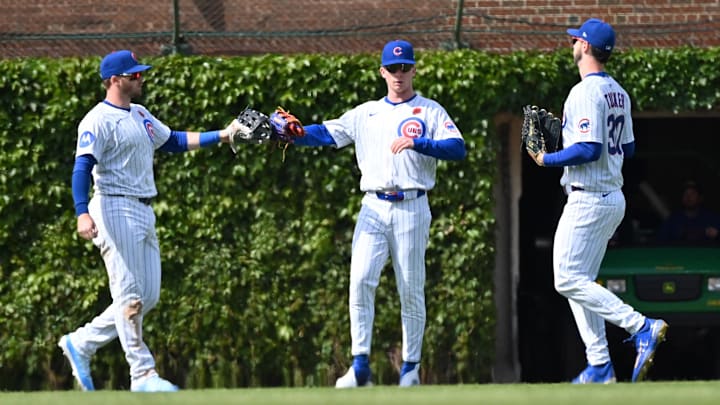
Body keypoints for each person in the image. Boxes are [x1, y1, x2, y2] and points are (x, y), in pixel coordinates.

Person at [58, 50, 245, 392]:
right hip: (113, 207)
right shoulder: (96, 120)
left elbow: (171, 140)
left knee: (149, 295)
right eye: (134, 75)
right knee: (130, 295)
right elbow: (82, 166)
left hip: (143, 208)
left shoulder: (140, 113)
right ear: (115, 80)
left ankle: (81, 342)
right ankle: (142, 374)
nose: (140, 78)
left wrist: (223, 134)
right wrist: (81, 210)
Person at [291, 39, 466, 387]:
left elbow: (457, 148)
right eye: (393, 68)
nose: (399, 74)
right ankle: (360, 368)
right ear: (382, 71)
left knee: (411, 288)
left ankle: (411, 369)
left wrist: (420, 143)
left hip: (413, 205)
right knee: (359, 281)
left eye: (405, 68)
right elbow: (327, 133)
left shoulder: (430, 110)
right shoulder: (365, 112)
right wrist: (293, 133)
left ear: (414, 69)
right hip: (373, 204)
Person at [526, 19, 668, 383]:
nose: (571, 42)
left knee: (566, 280)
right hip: (610, 197)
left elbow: (589, 149)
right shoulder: (618, 91)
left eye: (575, 38)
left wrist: (547, 159)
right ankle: (600, 365)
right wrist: (573, 138)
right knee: (582, 282)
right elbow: (629, 147)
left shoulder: (585, 92)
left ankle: (641, 326)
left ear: (585, 47)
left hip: (588, 198)